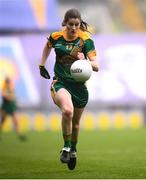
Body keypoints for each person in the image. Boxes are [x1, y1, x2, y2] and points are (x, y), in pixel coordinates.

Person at [39, 8, 99, 170]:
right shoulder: (56, 36)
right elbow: (47, 46)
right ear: (65, 23)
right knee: (67, 111)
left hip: (79, 87)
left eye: (76, 25)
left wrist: (85, 60)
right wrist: (41, 64)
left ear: (80, 24)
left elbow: (96, 66)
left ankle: (73, 150)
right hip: (61, 82)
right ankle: (66, 147)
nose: (73, 28)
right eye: (70, 24)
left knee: (76, 124)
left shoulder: (85, 40)